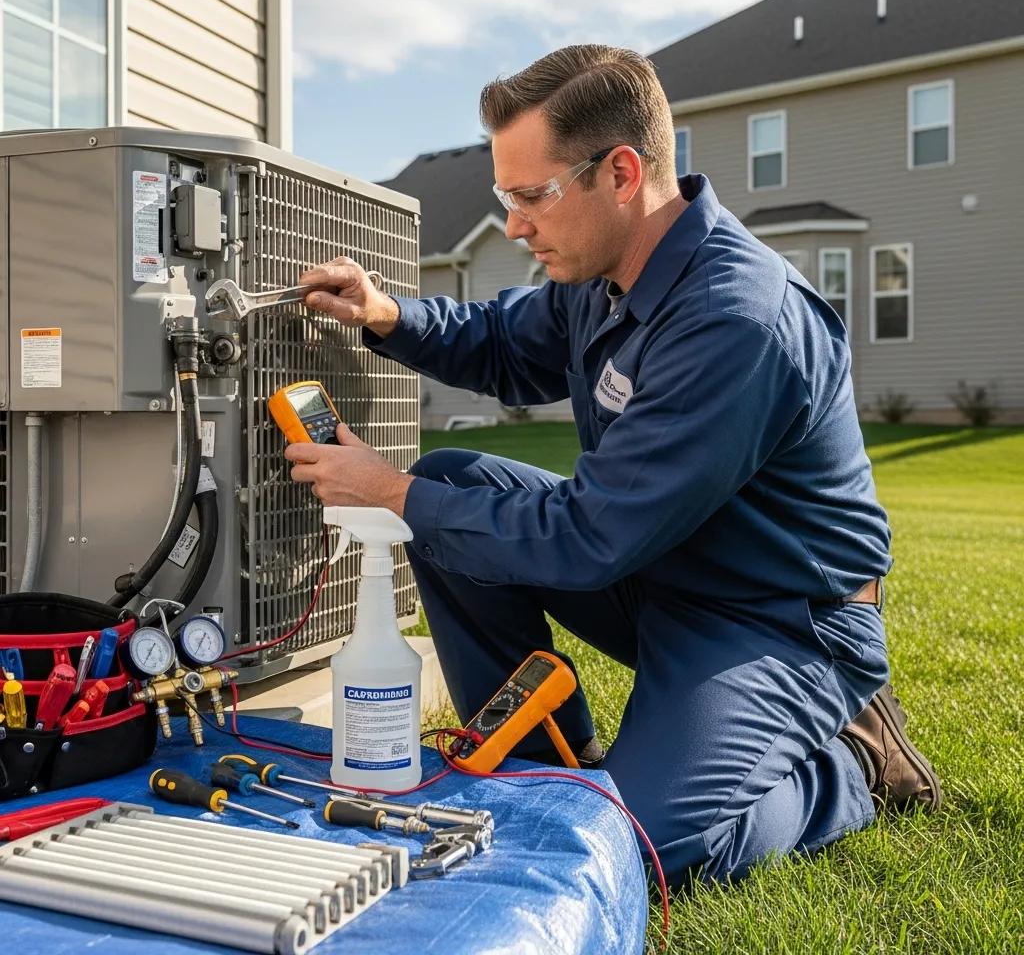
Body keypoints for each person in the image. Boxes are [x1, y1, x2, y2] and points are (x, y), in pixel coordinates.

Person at [285, 44, 941, 886]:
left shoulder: (736, 322)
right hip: (659, 573)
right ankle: (542, 766)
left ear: (622, 173)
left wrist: (388, 492)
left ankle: (845, 766)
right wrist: (385, 314)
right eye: (505, 198)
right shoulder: (600, 278)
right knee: (452, 483)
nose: (516, 225)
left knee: (635, 849)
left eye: (531, 196)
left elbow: (587, 538)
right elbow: (499, 342)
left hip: (777, 621)